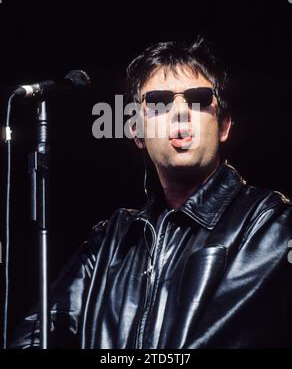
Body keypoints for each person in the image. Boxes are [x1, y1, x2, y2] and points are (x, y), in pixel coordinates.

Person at [11, 36, 292, 349]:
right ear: (137, 133)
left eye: (199, 99)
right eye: (159, 102)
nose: (181, 113)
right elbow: (30, 339)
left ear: (224, 125)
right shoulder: (111, 238)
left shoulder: (268, 220)